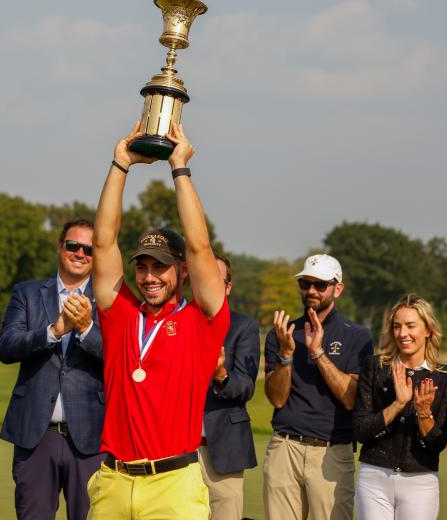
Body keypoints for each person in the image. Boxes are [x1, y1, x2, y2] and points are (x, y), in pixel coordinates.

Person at [86, 122, 230, 520]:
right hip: (114, 480)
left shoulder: (203, 320)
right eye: (143, 267)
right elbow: (103, 241)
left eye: (161, 268)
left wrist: (179, 169)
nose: (149, 277)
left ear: (181, 271)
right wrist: (120, 165)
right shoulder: (120, 312)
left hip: (173, 485)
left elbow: (200, 246)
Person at [0, 218, 105, 520]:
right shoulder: (27, 293)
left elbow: (120, 359)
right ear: (60, 247)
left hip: (91, 438)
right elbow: (7, 347)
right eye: (73, 245)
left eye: (89, 248)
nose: (80, 253)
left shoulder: (110, 299)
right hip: (36, 433)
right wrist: (53, 331)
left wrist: (85, 329)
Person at [262, 253, 374, 520]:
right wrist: (286, 355)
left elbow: (350, 398)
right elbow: (277, 399)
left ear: (338, 288)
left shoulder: (357, 335)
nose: (311, 290)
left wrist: (318, 352)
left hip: (332, 452)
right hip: (285, 447)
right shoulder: (282, 333)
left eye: (320, 284)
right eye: (305, 283)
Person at [353, 294, 447, 520]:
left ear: (428, 330)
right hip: (373, 477)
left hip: (420, 482)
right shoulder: (374, 367)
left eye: (411, 326)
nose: (403, 334)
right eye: (397, 326)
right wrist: (398, 404)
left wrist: (423, 412)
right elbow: (361, 430)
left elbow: (437, 443)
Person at [200, 254, 260, 520]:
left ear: (228, 287)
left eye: (217, 279)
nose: (209, 284)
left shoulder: (243, 326)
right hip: (177, 449)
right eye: (204, 278)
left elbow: (246, 386)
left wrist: (221, 375)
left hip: (222, 447)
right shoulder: (176, 321)